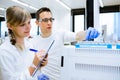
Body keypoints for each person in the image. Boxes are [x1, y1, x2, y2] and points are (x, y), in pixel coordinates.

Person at [30, 7, 100, 80]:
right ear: (37, 23)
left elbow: (77, 36)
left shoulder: (60, 34)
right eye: (45, 20)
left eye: (51, 19)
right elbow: (32, 64)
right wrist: (37, 76)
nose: (49, 23)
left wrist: (86, 33)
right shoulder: (34, 42)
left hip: (61, 77)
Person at [0, 6, 49, 80]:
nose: (28, 27)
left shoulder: (29, 45)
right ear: (10, 26)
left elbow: (30, 72)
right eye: (22, 24)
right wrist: (34, 65)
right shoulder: (4, 51)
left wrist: (40, 64)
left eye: (29, 22)